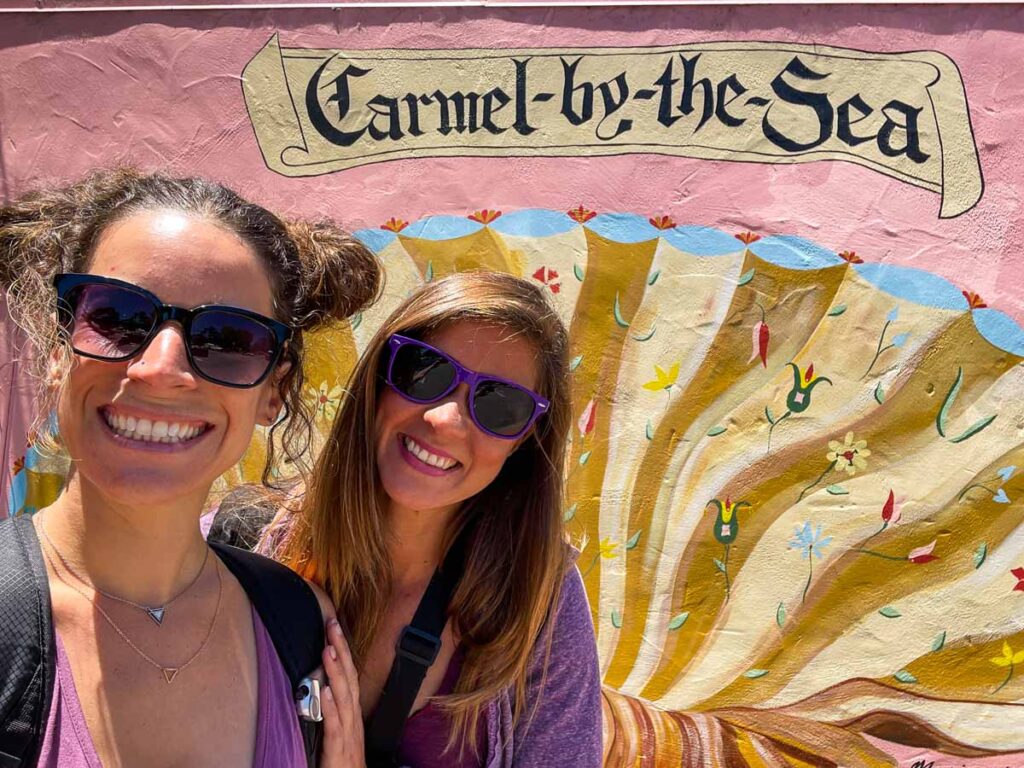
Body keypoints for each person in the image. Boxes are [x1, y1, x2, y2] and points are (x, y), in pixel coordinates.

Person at [0, 168, 374, 767]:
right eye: (118, 317)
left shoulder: (299, 627)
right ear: (56, 349)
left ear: (272, 392)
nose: (160, 368)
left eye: (228, 338)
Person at [266, 272, 603, 767]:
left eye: (500, 405)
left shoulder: (539, 603)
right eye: (426, 371)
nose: (445, 419)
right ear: (380, 377)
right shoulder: (257, 540)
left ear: (525, 443)